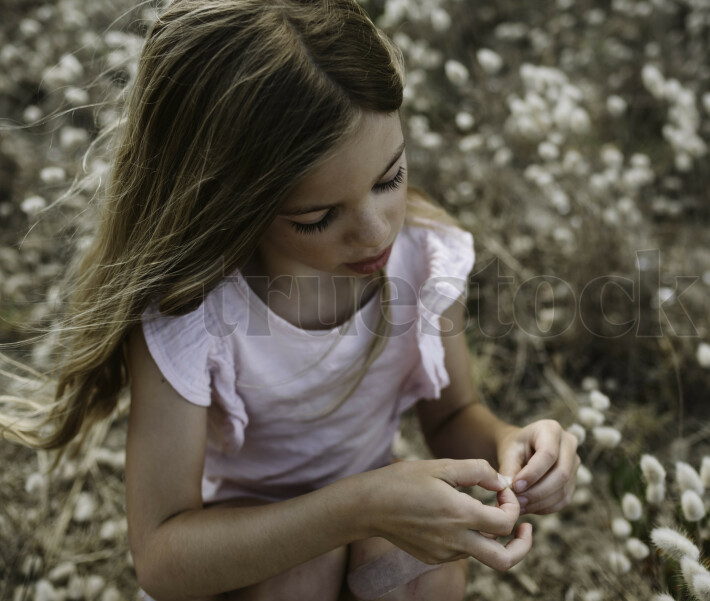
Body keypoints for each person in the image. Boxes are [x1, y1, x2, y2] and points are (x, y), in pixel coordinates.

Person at [0, 1, 580, 599]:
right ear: (227, 203)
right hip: (251, 558)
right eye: (317, 217)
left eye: (390, 179)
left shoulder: (423, 258)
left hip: (375, 521)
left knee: (422, 570)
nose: (378, 232)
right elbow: (163, 556)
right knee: (297, 576)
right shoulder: (191, 313)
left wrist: (512, 446)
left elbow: (454, 416)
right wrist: (357, 507)